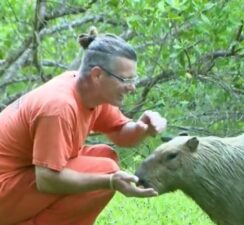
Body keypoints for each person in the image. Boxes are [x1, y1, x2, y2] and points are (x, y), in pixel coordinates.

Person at [0, 29, 167, 225]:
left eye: (134, 79)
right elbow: (47, 179)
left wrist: (143, 128)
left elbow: (121, 134)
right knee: (105, 169)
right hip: (5, 186)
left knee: (106, 157)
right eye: (126, 80)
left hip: (18, 182)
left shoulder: (91, 92)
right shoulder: (59, 108)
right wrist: (110, 181)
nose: (132, 87)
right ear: (97, 74)